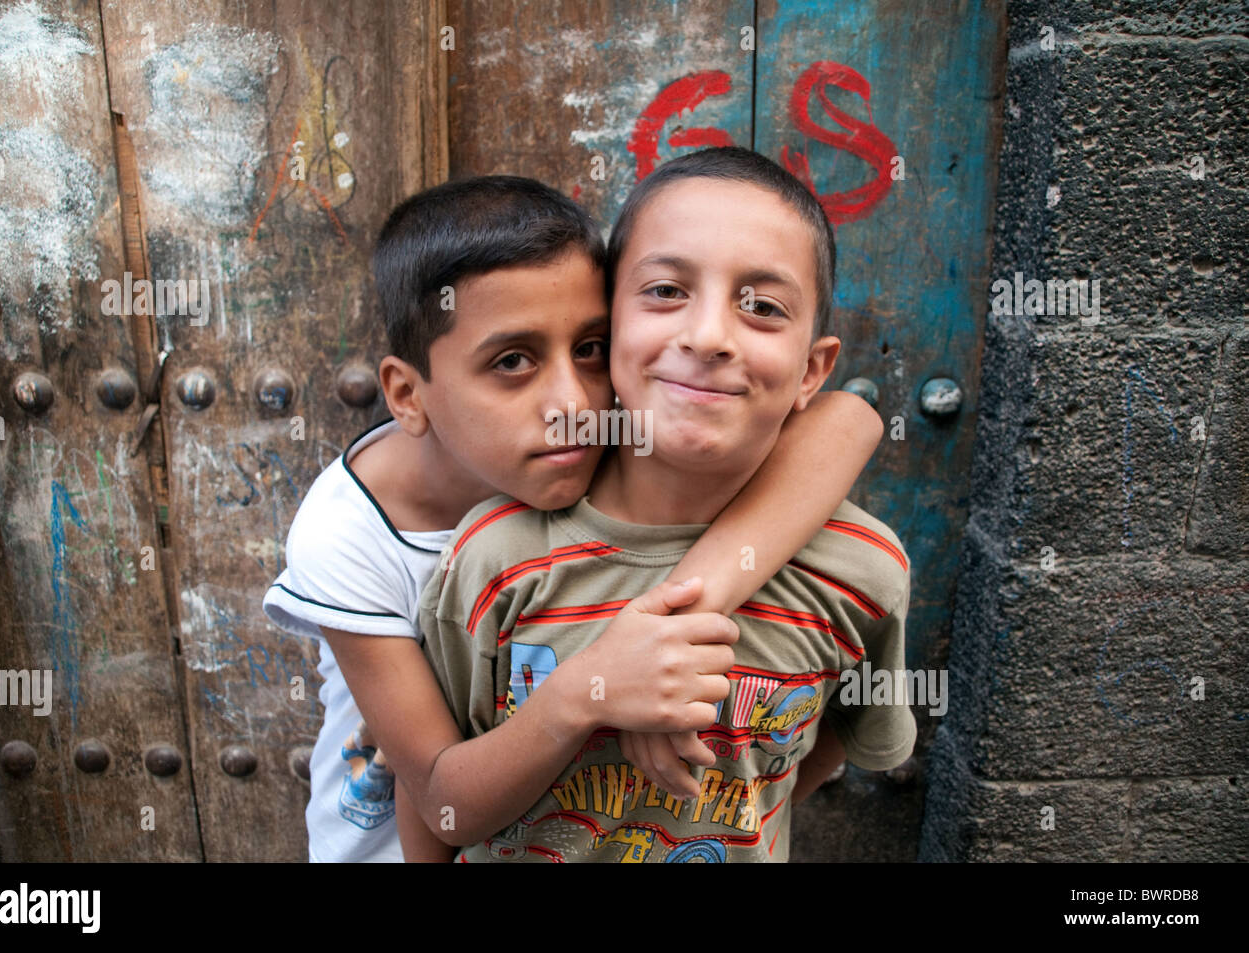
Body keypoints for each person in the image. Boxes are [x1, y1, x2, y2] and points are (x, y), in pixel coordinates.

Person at [263, 173, 884, 861]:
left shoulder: (622, 426)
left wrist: (660, 638)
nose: (571, 401)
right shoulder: (350, 538)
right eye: (511, 361)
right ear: (408, 395)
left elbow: (849, 421)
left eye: (589, 347)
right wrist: (599, 687)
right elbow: (438, 793)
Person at [421, 148, 915, 862]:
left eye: (763, 308)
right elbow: (438, 796)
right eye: (664, 292)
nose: (709, 335)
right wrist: (589, 695)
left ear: (813, 370)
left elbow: (824, 752)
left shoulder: (862, 572)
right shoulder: (495, 557)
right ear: (608, 326)